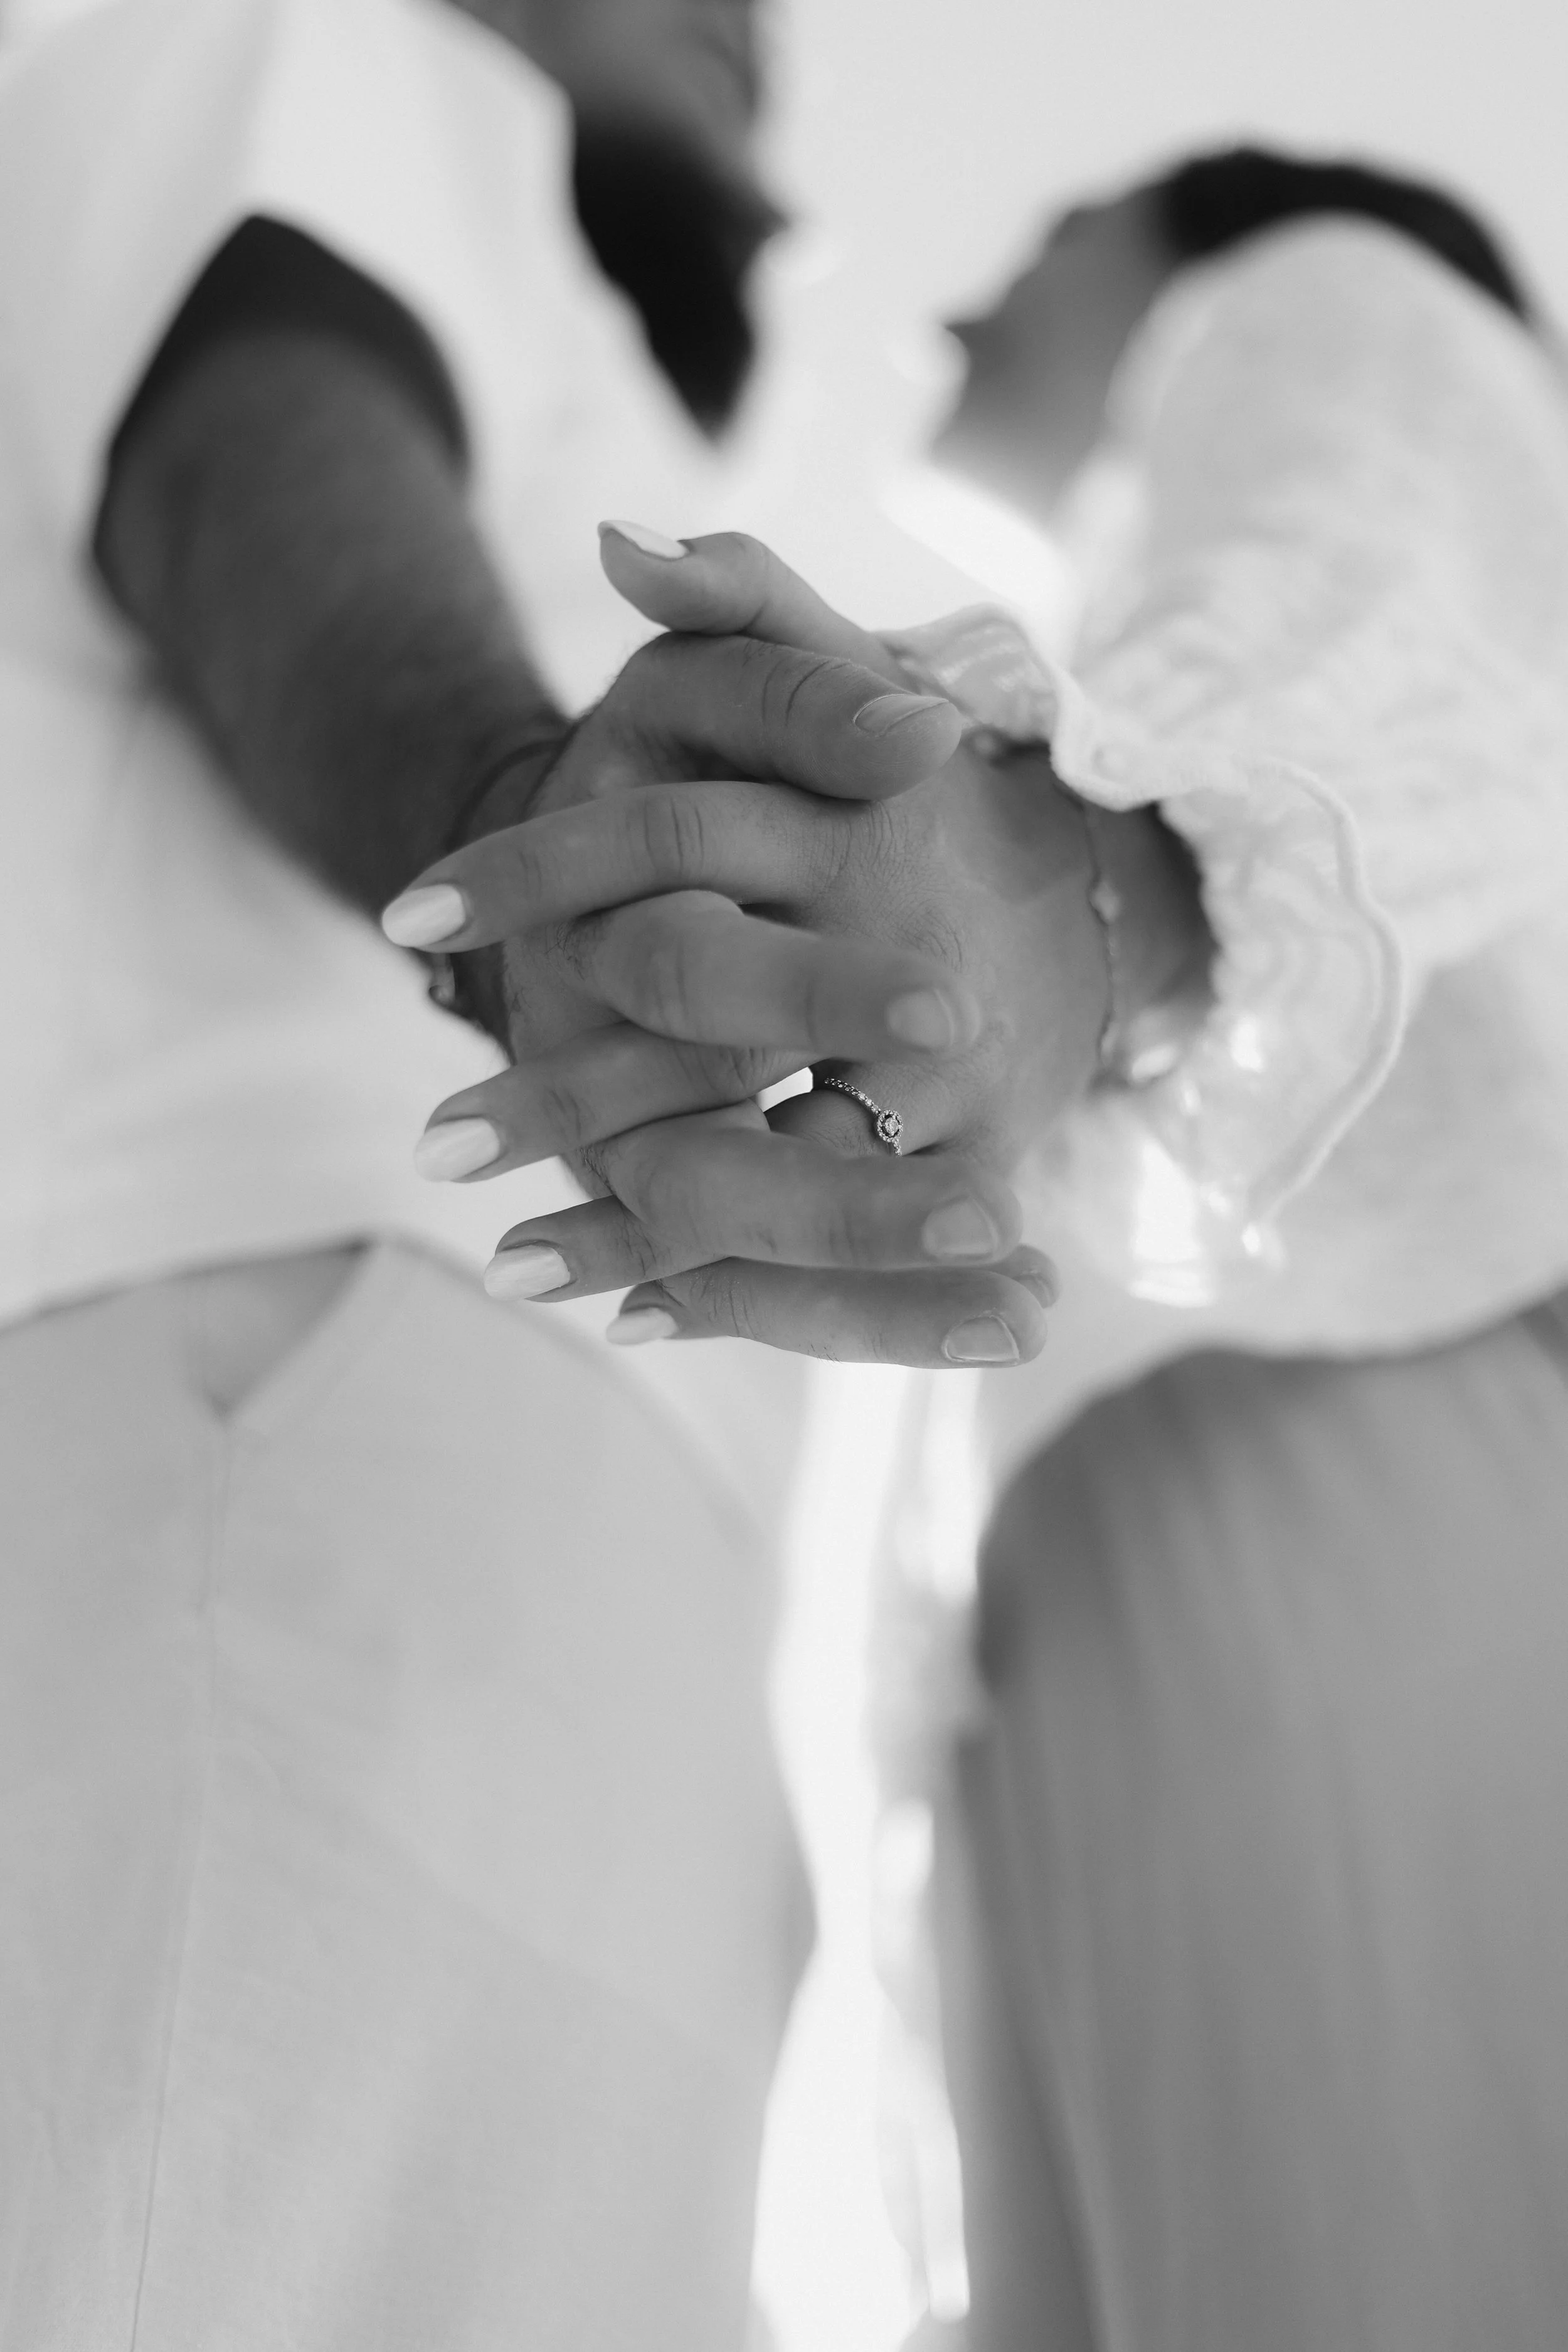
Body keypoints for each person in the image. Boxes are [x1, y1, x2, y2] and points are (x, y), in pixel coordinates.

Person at [413, 147, 1568, 2349]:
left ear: (1182, 231)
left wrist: (1080, 879)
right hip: (1101, 1594)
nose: (949, 309)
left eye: (1035, 231)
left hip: (1314, 1470)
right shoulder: (1125, 586)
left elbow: (1376, 570)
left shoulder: (1310, 302)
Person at [0, 0, 1048, 2338]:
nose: (746, 25)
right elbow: (259, 459)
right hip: (300, 1414)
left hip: (532, 1536)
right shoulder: (325, 57)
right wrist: (517, 846)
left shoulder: (564, 315)